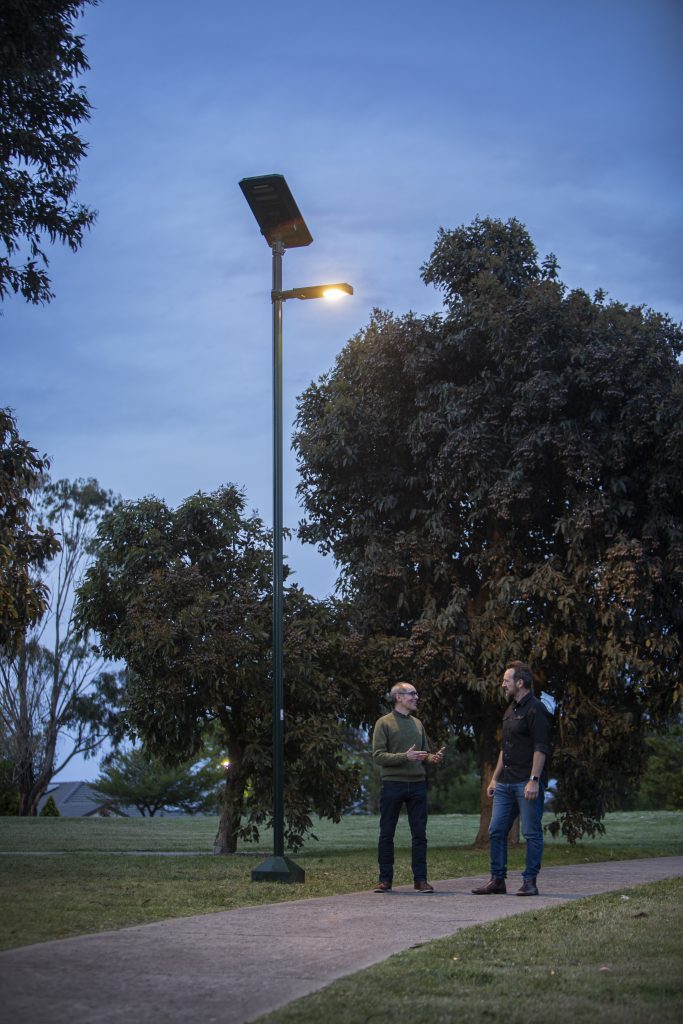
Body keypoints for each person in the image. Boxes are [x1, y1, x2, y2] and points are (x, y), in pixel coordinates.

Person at [472, 661, 551, 897]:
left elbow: (541, 747)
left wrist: (534, 779)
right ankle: (497, 880)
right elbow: (503, 749)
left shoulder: (536, 709)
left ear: (520, 682)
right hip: (505, 783)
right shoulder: (510, 710)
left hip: (526, 782)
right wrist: (495, 779)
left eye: (506, 680)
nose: (502, 684)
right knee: (496, 831)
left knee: (531, 832)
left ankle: (530, 881)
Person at [372, 682, 444, 893]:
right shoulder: (383, 723)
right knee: (387, 833)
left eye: (416, 693)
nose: (416, 697)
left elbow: (423, 753)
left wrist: (433, 758)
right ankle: (385, 880)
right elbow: (378, 756)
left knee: (420, 834)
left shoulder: (418, 724)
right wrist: (405, 757)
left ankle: (420, 880)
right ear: (398, 697)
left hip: (418, 786)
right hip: (393, 785)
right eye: (412, 694)